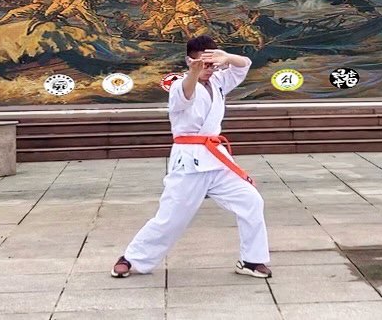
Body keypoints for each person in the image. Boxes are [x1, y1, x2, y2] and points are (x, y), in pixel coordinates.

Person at [111, 35, 271, 279]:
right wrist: (194, 72)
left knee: (251, 201)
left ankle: (252, 260)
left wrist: (226, 58)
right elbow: (186, 93)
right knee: (171, 218)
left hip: (216, 159)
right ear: (189, 61)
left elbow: (244, 65)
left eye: (213, 64)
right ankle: (132, 258)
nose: (210, 69)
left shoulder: (218, 81)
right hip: (189, 160)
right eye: (204, 64)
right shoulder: (180, 85)